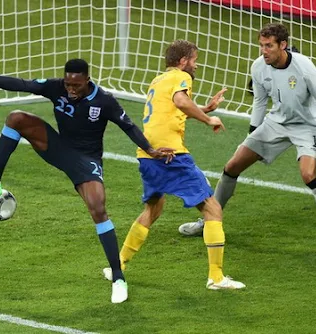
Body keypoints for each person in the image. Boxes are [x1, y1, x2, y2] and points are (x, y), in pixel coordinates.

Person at [0, 59, 175, 304]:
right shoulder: (57, 87)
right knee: (16, 118)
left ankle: (119, 278)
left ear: (87, 81)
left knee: (98, 209)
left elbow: (128, 126)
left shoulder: (104, 101)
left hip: (86, 160)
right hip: (57, 147)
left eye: (76, 85)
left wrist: (150, 150)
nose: (70, 89)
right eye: (68, 83)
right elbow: (22, 84)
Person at [178, 23, 316, 251]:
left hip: (308, 126)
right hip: (276, 122)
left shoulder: (304, 66)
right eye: (261, 45)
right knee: (232, 166)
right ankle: (208, 221)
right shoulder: (259, 67)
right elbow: (260, 103)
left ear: (283, 45)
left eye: (269, 46)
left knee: (309, 174)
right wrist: (252, 138)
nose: (264, 50)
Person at [103, 40, 245, 290]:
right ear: (183, 62)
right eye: (194, 60)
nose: (196, 65)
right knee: (212, 209)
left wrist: (205, 107)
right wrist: (208, 118)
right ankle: (216, 277)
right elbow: (180, 102)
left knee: (153, 210)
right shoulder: (182, 77)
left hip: (148, 153)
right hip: (172, 156)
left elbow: (172, 109)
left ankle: (118, 265)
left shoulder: (158, 80)